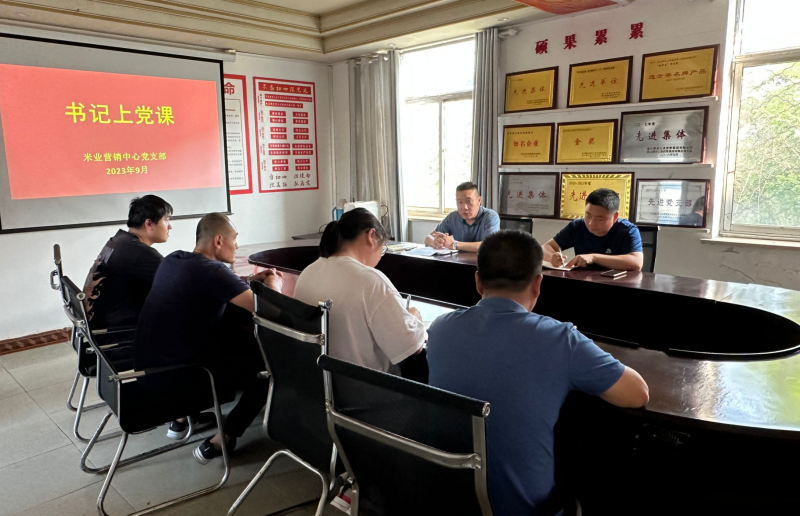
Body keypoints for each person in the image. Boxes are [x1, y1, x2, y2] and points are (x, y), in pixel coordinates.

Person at [427, 230, 649, 515]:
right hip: (529, 509)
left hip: (449, 498)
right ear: (538, 284)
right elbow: (637, 394)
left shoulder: (440, 328)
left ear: (478, 281)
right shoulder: (559, 339)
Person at [133, 213, 284, 463]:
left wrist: (246, 281)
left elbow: (210, 284)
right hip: (177, 377)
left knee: (236, 333)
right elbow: (270, 309)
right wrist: (274, 284)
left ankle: (181, 419)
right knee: (269, 367)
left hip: (149, 365)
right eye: (234, 239)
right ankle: (224, 437)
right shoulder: (212, 271)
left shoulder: (175, 259)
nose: (237, 245)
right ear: (218, 241)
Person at [294, 208, 426, 377]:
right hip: (365, 388)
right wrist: (414, 317)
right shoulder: (371, 281)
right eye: (383, 249)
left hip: (317, 382)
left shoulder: (308, 272)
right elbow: (412, 347)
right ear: (371, 235)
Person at [83, 195, 172, 330]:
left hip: (96, 325)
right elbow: (179, 284)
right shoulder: (142, 254)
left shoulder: (119, 241)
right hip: (115, 334)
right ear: (149, 223)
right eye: (166, 220)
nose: (170, 226)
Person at [544, 188, 643, 271]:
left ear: (615, 216)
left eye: (599, 219)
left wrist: (593, 257)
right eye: (588, 216)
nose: (591, 223)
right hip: (583, 282)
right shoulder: (577, 226)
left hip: (616, 284)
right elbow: (546, 247)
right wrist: (553, 257)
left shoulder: (627, 230)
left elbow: (636, 263)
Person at [425, 181, 500, 253]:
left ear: (479, 200)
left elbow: (490, 245)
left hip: (483, 260)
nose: (464, 207)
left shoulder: (490, 216)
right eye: (460, 202)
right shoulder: (453, 217)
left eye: (468, 201)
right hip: (459, 260)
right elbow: (428, 238)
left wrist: (455, 244)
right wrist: (435, 242)